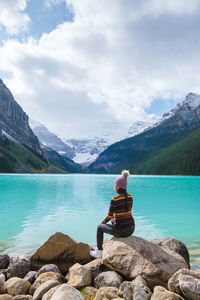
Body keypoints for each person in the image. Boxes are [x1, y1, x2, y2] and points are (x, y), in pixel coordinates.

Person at [90, 170, 135, 258]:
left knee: (99, 227)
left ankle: (99, 252)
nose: (114, 186)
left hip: (122, 231)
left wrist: (102, 223)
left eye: (115, 185)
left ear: (118, 187)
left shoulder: (115, 199)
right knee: (114, 219)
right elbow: (123, 213)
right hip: (131, 229)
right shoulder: (130, 197)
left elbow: (109, 216)